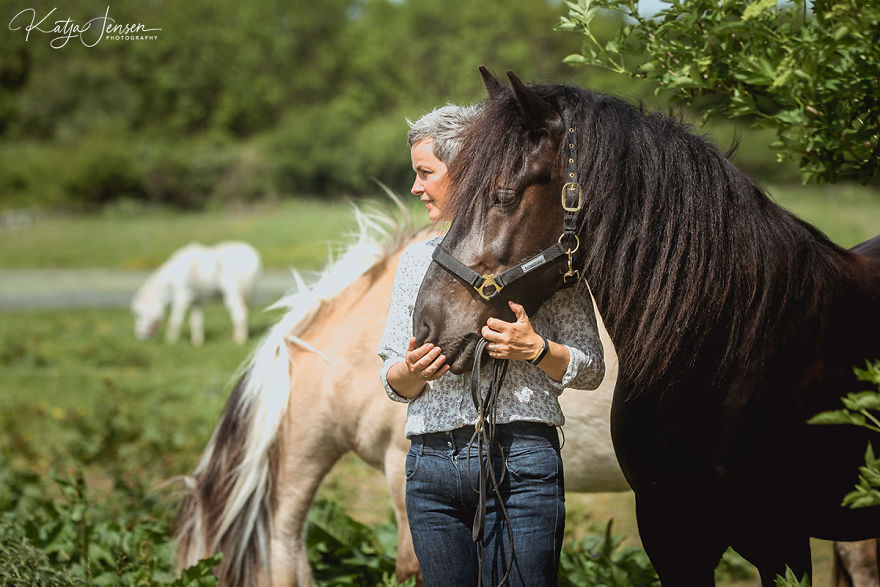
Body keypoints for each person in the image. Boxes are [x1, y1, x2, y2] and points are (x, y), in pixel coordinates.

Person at [377, 104, 605, 586]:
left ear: (465, 171)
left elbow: (591, 368)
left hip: (520, 460)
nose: (416, 188)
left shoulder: (540, 251)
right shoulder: (417, 261)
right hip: (432, 465)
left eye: (425, 173)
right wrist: (413, 371)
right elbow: (393, 379)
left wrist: (536, 349)